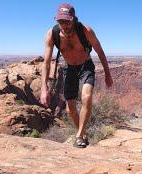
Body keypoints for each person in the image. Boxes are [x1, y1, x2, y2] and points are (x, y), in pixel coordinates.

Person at [40, 3, 113, 148]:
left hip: (86, 66)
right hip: (69, 69)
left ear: (74, 19)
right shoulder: (52, 34)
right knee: (70, 109)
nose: (64, 25)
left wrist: (107, 74)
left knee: (86, 97)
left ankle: (79, 135)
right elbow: (46, 63)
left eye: (67, 21)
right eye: (61, 22)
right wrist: (44, 89)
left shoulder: (86, 31)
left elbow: (100, 52)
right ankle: (83, 133)